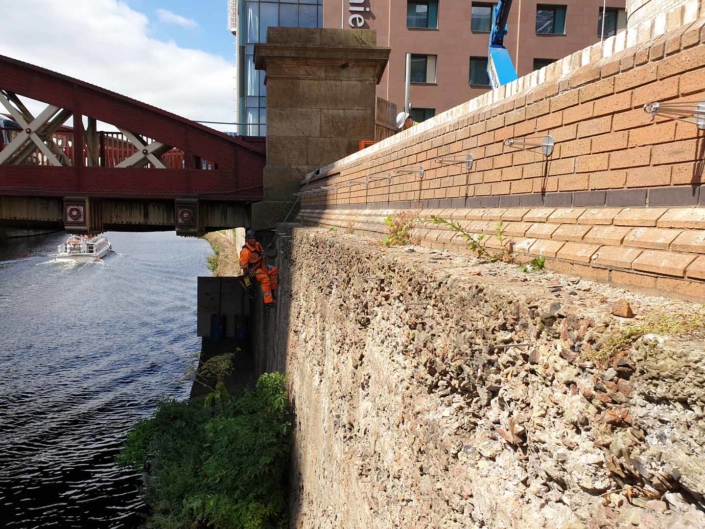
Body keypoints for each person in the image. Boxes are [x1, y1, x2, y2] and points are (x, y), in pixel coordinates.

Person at [239, 229, 278, 308]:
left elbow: (262, 253)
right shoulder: (245, 252)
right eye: (250, 239)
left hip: (261, 265)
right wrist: (248, 279)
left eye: (253, 238)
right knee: (265, 279)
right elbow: (243, 267)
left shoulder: (257, 245)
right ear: (247, 239)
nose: (252, 240)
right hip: (253, 270)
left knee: (274, 270)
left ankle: (272, 292)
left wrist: (264, 254)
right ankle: (268, 302)